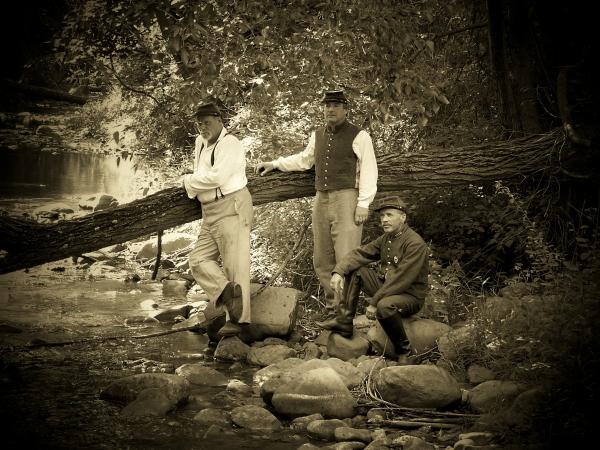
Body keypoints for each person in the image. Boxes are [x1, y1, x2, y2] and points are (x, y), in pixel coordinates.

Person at [255, 90, 378, 313]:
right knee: (322, 258)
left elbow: (370, 169)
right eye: (327, 105)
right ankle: (334, 307)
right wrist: (275, 163)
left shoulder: (359, 135)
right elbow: (304, 160)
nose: (330, 109)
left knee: (347, 257)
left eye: (336, 105)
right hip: (321, 198)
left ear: (345, 109)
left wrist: (364, 203)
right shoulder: (318, 134)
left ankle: (347, 312)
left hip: (347, 198)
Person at [315, 196, 429, 364]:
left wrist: (374, 302)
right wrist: (338, 271)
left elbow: (400, 280)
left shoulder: (414, 243)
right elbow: (360, 254)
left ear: (403, 217)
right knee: (357, 269)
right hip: (388, 289)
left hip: (409, 296)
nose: (384, 220)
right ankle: (345, 321)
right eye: (382, 216)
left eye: (389, 215)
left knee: (385, 306)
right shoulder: (386, 238)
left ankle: (405, 351)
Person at [182, 102, 253, 338]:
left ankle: (238, 324)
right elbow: (205, 176)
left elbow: (217, 177)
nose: (203, 127)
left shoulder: (229, 143)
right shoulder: (199, 143)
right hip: (209, 210)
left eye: (207, 122)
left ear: (219, 120)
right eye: (199, 123)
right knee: (198, 259)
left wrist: (188, 182)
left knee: (236, 265)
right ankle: (225, 293)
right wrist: (196, 181)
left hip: (231, 205)